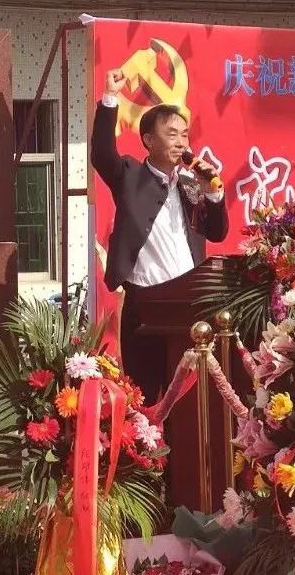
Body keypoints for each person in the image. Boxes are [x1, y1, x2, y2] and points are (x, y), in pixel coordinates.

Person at [90, 69, 228, 402]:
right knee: (145, 398)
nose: (181, 142)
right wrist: (110, 97)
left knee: (190, 400)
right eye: (172, 134)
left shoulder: (191, 185)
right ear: (149, 140)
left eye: (185, 135)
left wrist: (213, 192)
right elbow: (102, 153)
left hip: (189, 305)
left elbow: (217, 232)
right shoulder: (130, 175)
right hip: (144, 303)